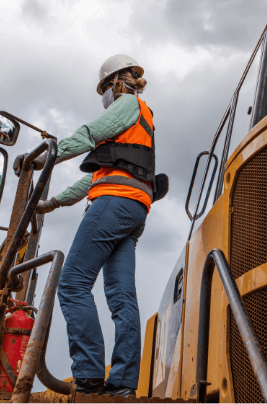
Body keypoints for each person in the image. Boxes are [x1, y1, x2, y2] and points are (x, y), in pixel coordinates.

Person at [13, 55, 168, 397]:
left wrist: (45, 157)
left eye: (103, 90)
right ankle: (124, 384)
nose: (104, 97)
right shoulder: (141, 122)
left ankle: (88, 377)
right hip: (134, 209)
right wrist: (52, 203)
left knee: (71, 284)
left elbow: (87, 134)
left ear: (115, 84)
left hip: (113, 204)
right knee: (121, 294)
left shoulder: (127, 103)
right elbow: (96, 179)